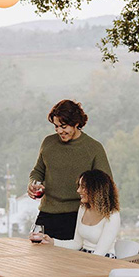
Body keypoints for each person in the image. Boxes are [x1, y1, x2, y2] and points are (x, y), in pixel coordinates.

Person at [28, 99, 112, 241]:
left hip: (77, 216)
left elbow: (105, 185)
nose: (59, 131)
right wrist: (33, 183)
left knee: (70, 261)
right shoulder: (48, 143)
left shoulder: (94, 148)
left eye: (64, 126)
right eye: (56, 126)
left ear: (77, 123)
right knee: (39, 259)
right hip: (47, 214)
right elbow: (38, 171)